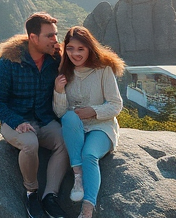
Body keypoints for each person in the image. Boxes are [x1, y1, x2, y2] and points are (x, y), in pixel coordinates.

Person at [0, 12, 69, 218]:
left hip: (44, 119)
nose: (55, 40)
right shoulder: (9, 61)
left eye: (56, 35)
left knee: (66, 140)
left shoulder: (53, 60)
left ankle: (50, 196)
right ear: (33, 37)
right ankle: (31, 193)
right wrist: (17, 121)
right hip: (15, 121)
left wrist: (62, 58)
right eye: (49, 35)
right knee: (30, 143)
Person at [53, 26, 125, 218]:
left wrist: (93, 111)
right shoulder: (64, 72)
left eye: (80, 49)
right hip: (76, 127)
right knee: (69, 117)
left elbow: (116, 105)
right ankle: (78, 176)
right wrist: (59, 91)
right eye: (70, 48)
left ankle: (87, 210)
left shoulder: (103, 70)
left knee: (90, 155)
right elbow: (61, 113)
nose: (75, 54)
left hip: (101, 126)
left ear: (89, 48)